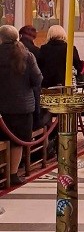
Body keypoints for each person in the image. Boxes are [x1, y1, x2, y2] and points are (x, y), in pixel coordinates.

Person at [0, 25, 42, 186]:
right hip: (21, 107)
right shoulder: (26, 55)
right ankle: (12, 174)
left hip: (2, 108)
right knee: (17, 141)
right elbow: (37, 79)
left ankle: (2, 171)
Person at [18, 26, 42, 127]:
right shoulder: (36, 51)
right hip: (29, 96)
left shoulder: (11, 51)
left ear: (20, 35)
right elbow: (37, 78)